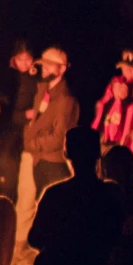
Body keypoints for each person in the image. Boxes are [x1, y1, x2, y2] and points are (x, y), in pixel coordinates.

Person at [27, 127, 120, 265]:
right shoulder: (111, 194)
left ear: (66, 154)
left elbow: (34, 239)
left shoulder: (55, 195)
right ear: (97, 155)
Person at [22, 46, 78, 234]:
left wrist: (30, 142)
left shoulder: (65, 99)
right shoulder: (43, 91)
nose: (44, 68)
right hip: (40, 159)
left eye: (50, 65)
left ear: (62, 69)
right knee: (42, 205)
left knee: (56, 212)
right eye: (43, 64)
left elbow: (58, 137)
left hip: (53, 162)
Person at [0, 42, 38, 210]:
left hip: (24, 131)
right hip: (9, 129)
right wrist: (23, 114)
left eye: (28, 59)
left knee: (17, 168)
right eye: (20, 59)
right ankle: (1, 203)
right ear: (13, 60)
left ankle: (9, 206)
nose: (24, 63)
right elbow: (5, 107)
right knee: (3, 163)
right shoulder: (9, 78)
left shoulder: (36, 79)